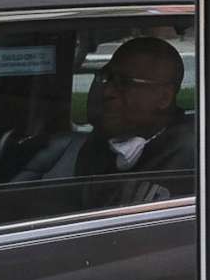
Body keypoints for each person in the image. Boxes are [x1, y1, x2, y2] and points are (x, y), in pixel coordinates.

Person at [13, 36, 194, 185]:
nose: (107, 91)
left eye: (124, 82)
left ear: (163, 98)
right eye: (108, 78)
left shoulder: (191, 160)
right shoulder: (99, 147)